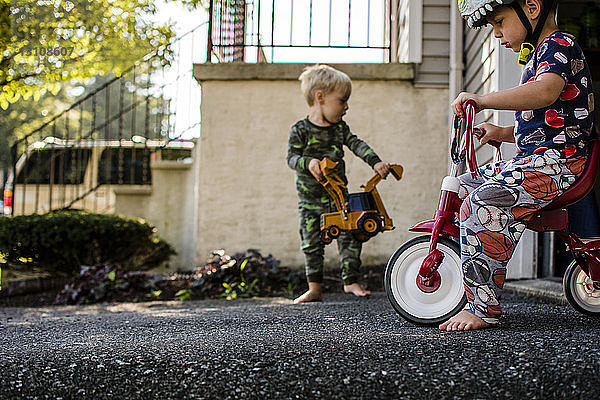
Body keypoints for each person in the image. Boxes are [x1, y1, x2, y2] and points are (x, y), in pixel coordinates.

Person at [442, 0, 594, 330]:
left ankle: (483, 307)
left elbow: (545, 93)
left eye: (499, 22)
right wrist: (501, 132)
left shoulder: (558, 45)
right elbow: (545, 125)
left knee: (481, 204)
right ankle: (468, 279)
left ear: (532, 7)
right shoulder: (539, 58)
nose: (496, 34)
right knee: (465, 186)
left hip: (560, 164)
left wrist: (481, 100)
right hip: (541, 159)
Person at [286, 64, 391, 304]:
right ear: (320, 97)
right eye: (342, 101)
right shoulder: (300, 130)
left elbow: (357, 145)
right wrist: (308, 162)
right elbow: (291, 158)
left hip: (338, 198)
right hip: (310, 201)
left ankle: (350, 281)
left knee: (351, 237)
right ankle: (315, 289)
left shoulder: (340, 129)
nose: (346, 107)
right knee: (311, 243)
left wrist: (375, 162)